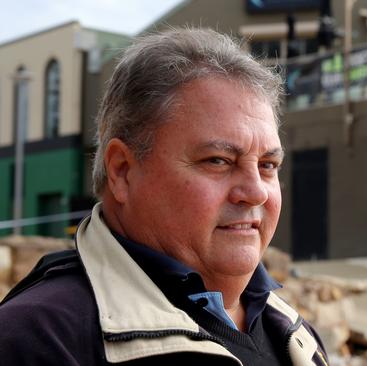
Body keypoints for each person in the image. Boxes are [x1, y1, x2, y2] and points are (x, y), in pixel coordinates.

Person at [0, 28, 328, 366]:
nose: (256, 191)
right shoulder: (36, 339)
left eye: (268, 165)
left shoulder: (296, 336)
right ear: (123, 171)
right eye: (218, 161)